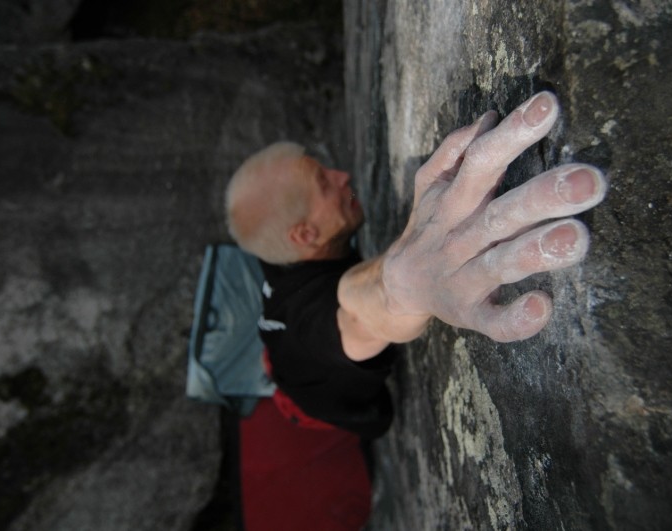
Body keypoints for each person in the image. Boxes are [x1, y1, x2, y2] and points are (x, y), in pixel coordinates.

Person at [225, 91, 607, 529]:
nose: (343, 176)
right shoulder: (312, 325)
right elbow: (357, 311)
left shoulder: (278, 250)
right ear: (304, 235)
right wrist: (400, 286)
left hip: (285, 366)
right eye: (324, 184)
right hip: (309, 418)